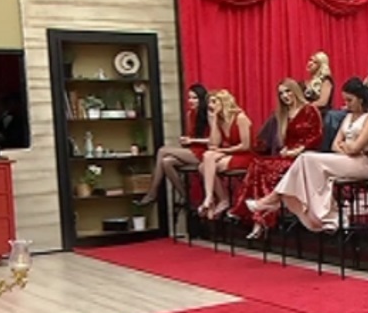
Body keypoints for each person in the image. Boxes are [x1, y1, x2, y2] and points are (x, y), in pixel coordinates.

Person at [247, 78, 368, 232]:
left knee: (307, 158)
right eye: (345, 100)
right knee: (305, 159)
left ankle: (275, 198)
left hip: (363, 164)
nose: (346, 104)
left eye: (350, 100)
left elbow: (355, 147)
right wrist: (348, 148)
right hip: (345, 159)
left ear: (360, 99)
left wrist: (347, 147)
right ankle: (282, 200)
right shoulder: (348, 116)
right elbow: (335, 145)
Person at [231, 80, 322, 238]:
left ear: (295, 91)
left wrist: (297, 150)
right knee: (257, 166)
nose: (285, 96)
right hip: (287, 155)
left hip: (304, 158)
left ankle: (262, 214)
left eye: (288, 91)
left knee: (270, 170)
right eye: (281, 93)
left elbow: (316, 136)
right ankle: (260, 217)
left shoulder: (309, 110)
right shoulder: (283, 114)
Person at [135, 84, 210, 206]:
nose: (191, 101)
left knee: (162, 151)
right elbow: (191, 137)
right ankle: (186, 197)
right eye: (189, 98)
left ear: (202, 99)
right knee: (166, 162)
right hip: (192, 150)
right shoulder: (190, 115)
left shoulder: (209, 115)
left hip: (205, 152)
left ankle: (152, 193)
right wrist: (186, 140)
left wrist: (192, 141)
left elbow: (214, 141)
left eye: (195, 98)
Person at [198, 90, 254, 219]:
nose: (210, 105)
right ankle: (211, 197)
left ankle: (220, 199)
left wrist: (223, 151)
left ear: (224, 102)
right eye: (209, 103)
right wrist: (213, 121)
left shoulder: (240, 117)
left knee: (206, 167)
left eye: (214, 102)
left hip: (246, 155)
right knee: (205, 160)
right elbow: (214, 144)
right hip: (231, 152)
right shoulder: (219, 120)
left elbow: (245, 146)